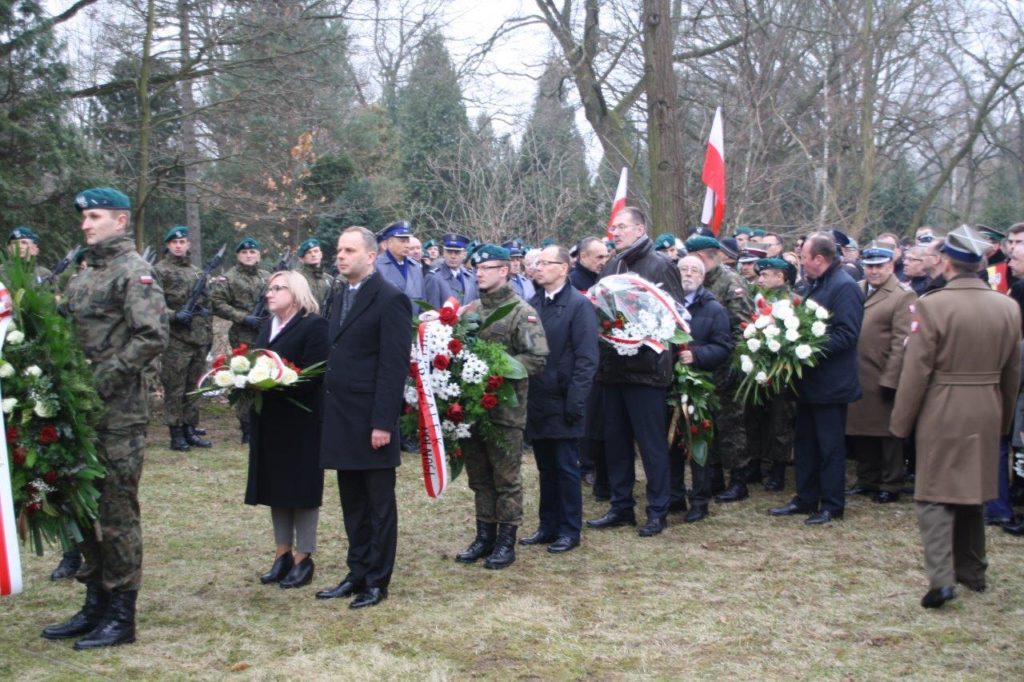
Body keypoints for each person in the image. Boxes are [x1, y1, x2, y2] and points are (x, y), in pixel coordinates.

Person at [42, 187, 169, 649]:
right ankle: (94, 603)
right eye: (83, 217)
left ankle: (121, 614)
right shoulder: (83, 274)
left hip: (117, 414)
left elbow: (151, 336)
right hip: (79, 411)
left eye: (94, 216)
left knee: (115, 515)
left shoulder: (135, 272)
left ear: (119, 220)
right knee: (83, 508)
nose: (85, 224)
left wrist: (100, 384)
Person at [890, 225, 1021, 608]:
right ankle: (973, 570)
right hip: (987, 404)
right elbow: (1014, 372)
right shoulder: (1007, 306)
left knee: (933, 493)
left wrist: (901, 421)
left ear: (946, 263)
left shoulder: (933, 304)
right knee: (971, 492)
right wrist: (1003, 418)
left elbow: (917, 370)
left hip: (944, 404)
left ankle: (942, 578)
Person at [316, 226, 412, 609]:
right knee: (352, 501)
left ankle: (377, 580)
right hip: (341, 417)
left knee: (378, 504)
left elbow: (393, 368)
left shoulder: (390, 299)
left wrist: (382, 423)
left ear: (371, 256)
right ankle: (356, 572)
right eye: (338, 249)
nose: (340, 256)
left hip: (371, 420)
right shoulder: (340, 294)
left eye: (349, 250)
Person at [587, 207, 685, 537]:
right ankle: (621, 506)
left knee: (652, 444)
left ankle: (657, 510)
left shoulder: (661, 264)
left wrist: (641, 332)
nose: (615, 232)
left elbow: (677, 315)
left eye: (622, 227)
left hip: (647, 370)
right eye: (613, 227)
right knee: (615, 442)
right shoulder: (612, 264)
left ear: (640, 228)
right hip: (613, 369)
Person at [455, 245, 549, 568]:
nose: (478, 272)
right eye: (476, 268)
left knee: (506, 478)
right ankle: (485, 536)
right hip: (474, 410)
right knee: (479, 476)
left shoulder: (521, 312)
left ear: (504, 271)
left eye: (486, 267)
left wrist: (497, 366)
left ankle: (506, 542)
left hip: (506, 411)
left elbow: (537, 358)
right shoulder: (470, 312)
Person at [769, 232, 863, 525]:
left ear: (819, 259)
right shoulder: (817, 283)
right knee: (806, 443)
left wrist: (806, 350)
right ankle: (806, 497)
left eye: (804, 258)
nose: (801, 264)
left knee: (829, 446)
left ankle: (832, 504)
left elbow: (847, 334)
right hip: (810, 383)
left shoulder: (844, 286)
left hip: (832, 384)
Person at [246, 270, 329, 590]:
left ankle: (303, 558)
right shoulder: (268, 325)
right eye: (268, 288)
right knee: (276, 486)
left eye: (277, 288)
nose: (269, 294)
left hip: (302, 421)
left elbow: (316, 373)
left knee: (302, 489)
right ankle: (281, 554)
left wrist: (276, 383)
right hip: (270, 419)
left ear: (295, 293)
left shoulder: (314, 325)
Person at [521, 245, 597, 554]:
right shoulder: (532, 303)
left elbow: (586, 359)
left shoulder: (579, 305)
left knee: (566, 468)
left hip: (564, 400)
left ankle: (569, 529)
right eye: (535, 264)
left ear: (563, 268)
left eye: (545, 263)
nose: (537, 268)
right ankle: (547, 525)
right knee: (545, 467)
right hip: (537, 399)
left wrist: (575, 402)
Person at [685, 236, 754, 505]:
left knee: (731, 425)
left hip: (727, 367)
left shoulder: (730, 282)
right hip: (703, 366)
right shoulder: (698, 281)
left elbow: (744, 327)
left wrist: (735, 365)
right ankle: (711, 480)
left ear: (704, 257)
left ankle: (738, 481)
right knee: (707, 424)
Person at [844, 244, 914, 503]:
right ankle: (867, 479)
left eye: (879, 266)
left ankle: (891, 483)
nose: (873, 271)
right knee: (860, 430)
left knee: (888, 434)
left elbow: (902, 342)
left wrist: (891, 379)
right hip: (857, 372)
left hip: (882, 373)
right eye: (869, 266)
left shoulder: (902, 295)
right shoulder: (858, 287)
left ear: (890, 266)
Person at [668, 255, 732, 522]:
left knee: (698, 444)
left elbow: (723, 347)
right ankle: (674, 495)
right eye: (683, 269)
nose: (688, 274)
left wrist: (697, 355)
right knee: (670, 442)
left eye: (695, 270)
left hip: (700, 387)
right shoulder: (666, 303)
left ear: (703, 277)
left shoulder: (713, 308)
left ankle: (700, 499)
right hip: (668, 384)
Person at [153, 226, 213, 452]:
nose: (179, 245)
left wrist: (208, 336)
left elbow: (208, 305)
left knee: (194, 388)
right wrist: (174, 315)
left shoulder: (197, 272)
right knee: (175, 389)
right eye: (174, 242)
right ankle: (175, 434)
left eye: (183, 242)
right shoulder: (159, 270)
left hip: (197, 338)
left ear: (188, 245)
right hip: (175, 339)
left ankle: (190, 429)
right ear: (168, 245)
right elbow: (152, 303)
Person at [210, 238, 270, 443]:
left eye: (253, 252)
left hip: (266, 332)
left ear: (259, 255)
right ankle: (247, 426)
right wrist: (243, 317)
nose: (249, 256)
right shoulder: (229, 278)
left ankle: (264, 422)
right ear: (238, 256)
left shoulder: (266, 277)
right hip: (243, 336)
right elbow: (217, 303)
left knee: (265, 376)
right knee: (244, 379)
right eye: (245, 253)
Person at [746, 258, 797, 491]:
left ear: (781, 277)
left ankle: (777, 471)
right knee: (754, 419)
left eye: (766, 275)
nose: (761, 279)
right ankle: (755, 465)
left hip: (780, 371)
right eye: (761, 275)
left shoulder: (792, 301)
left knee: (780, 422)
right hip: (758, 367)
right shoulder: (757, 298)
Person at [375, 220, 425, 310]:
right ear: (390, 242)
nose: (407, 245)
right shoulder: (376, 266)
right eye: (402, 241)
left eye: (407, 241)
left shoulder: (415, 266)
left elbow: (422, 302)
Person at [424, 232, 477, 307]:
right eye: (449, 252)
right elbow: (432, 311)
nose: (453, 256)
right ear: (444, 253)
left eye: (457, 252)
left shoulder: (470, 277)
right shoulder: (434, 278)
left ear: (464, 254)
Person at [296, 238, 334, 308]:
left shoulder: (329, 280)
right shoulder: (296, 278)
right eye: (309, 252)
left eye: (316, 251)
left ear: (321, 254)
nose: (313, 255)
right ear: (302, 259)